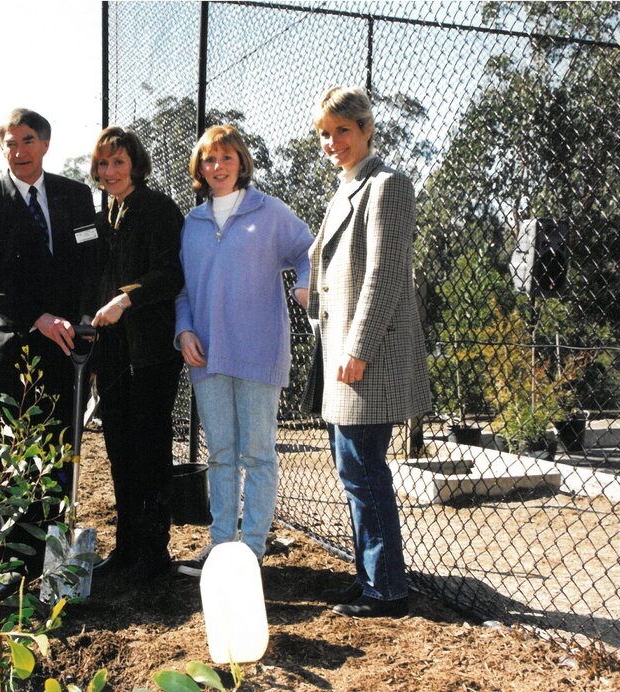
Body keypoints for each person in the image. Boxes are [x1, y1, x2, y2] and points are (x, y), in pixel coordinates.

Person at [305, 86, 431, 618]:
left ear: (367, 130)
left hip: (365, 357)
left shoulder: (388, 185)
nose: (334, 142)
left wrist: (356, 348)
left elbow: (383, 275)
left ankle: (387, 589)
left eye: (343, 131)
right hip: (339, 352)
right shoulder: (344, 188)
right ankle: (371, 577)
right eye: (326, 134)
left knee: (363, 468)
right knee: (351, 467)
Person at [0, 108, 98, 581]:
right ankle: (17, 568)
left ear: (45, 144)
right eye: (10, 143)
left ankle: (58, 567)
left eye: (27, 140)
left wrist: (82, 319)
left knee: (62, 453)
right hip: (15, 348)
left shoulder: (76, 197)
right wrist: (39, 318)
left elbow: (90, 264)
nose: (18, 151)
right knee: (18, 457)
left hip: (68, 349)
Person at [175, 125, 312, 576]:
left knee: (257, 454)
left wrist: (308, 285)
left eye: (227, 158)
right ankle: (221, 550)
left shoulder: (268, 212)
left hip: (257, 353)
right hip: (206, 356)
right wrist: (183, 331)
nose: (218, 167)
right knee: (221, 454)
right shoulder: (192, 225)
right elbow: (182, 291)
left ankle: (251, 551)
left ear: (242, 163)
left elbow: (310, 250)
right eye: (210, 160)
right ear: (200, 168)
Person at [87, 127, 185, 582]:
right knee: (119, 449)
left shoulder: (159, 209)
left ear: (135, 165)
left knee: (150, 446)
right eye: (103, 164)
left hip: (150, 351)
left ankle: (153, 552)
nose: (109, 172)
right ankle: (126, 547)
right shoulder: (102, 216)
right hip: (111, 353)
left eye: (118, 163)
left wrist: (124, 300)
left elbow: (170, 273)